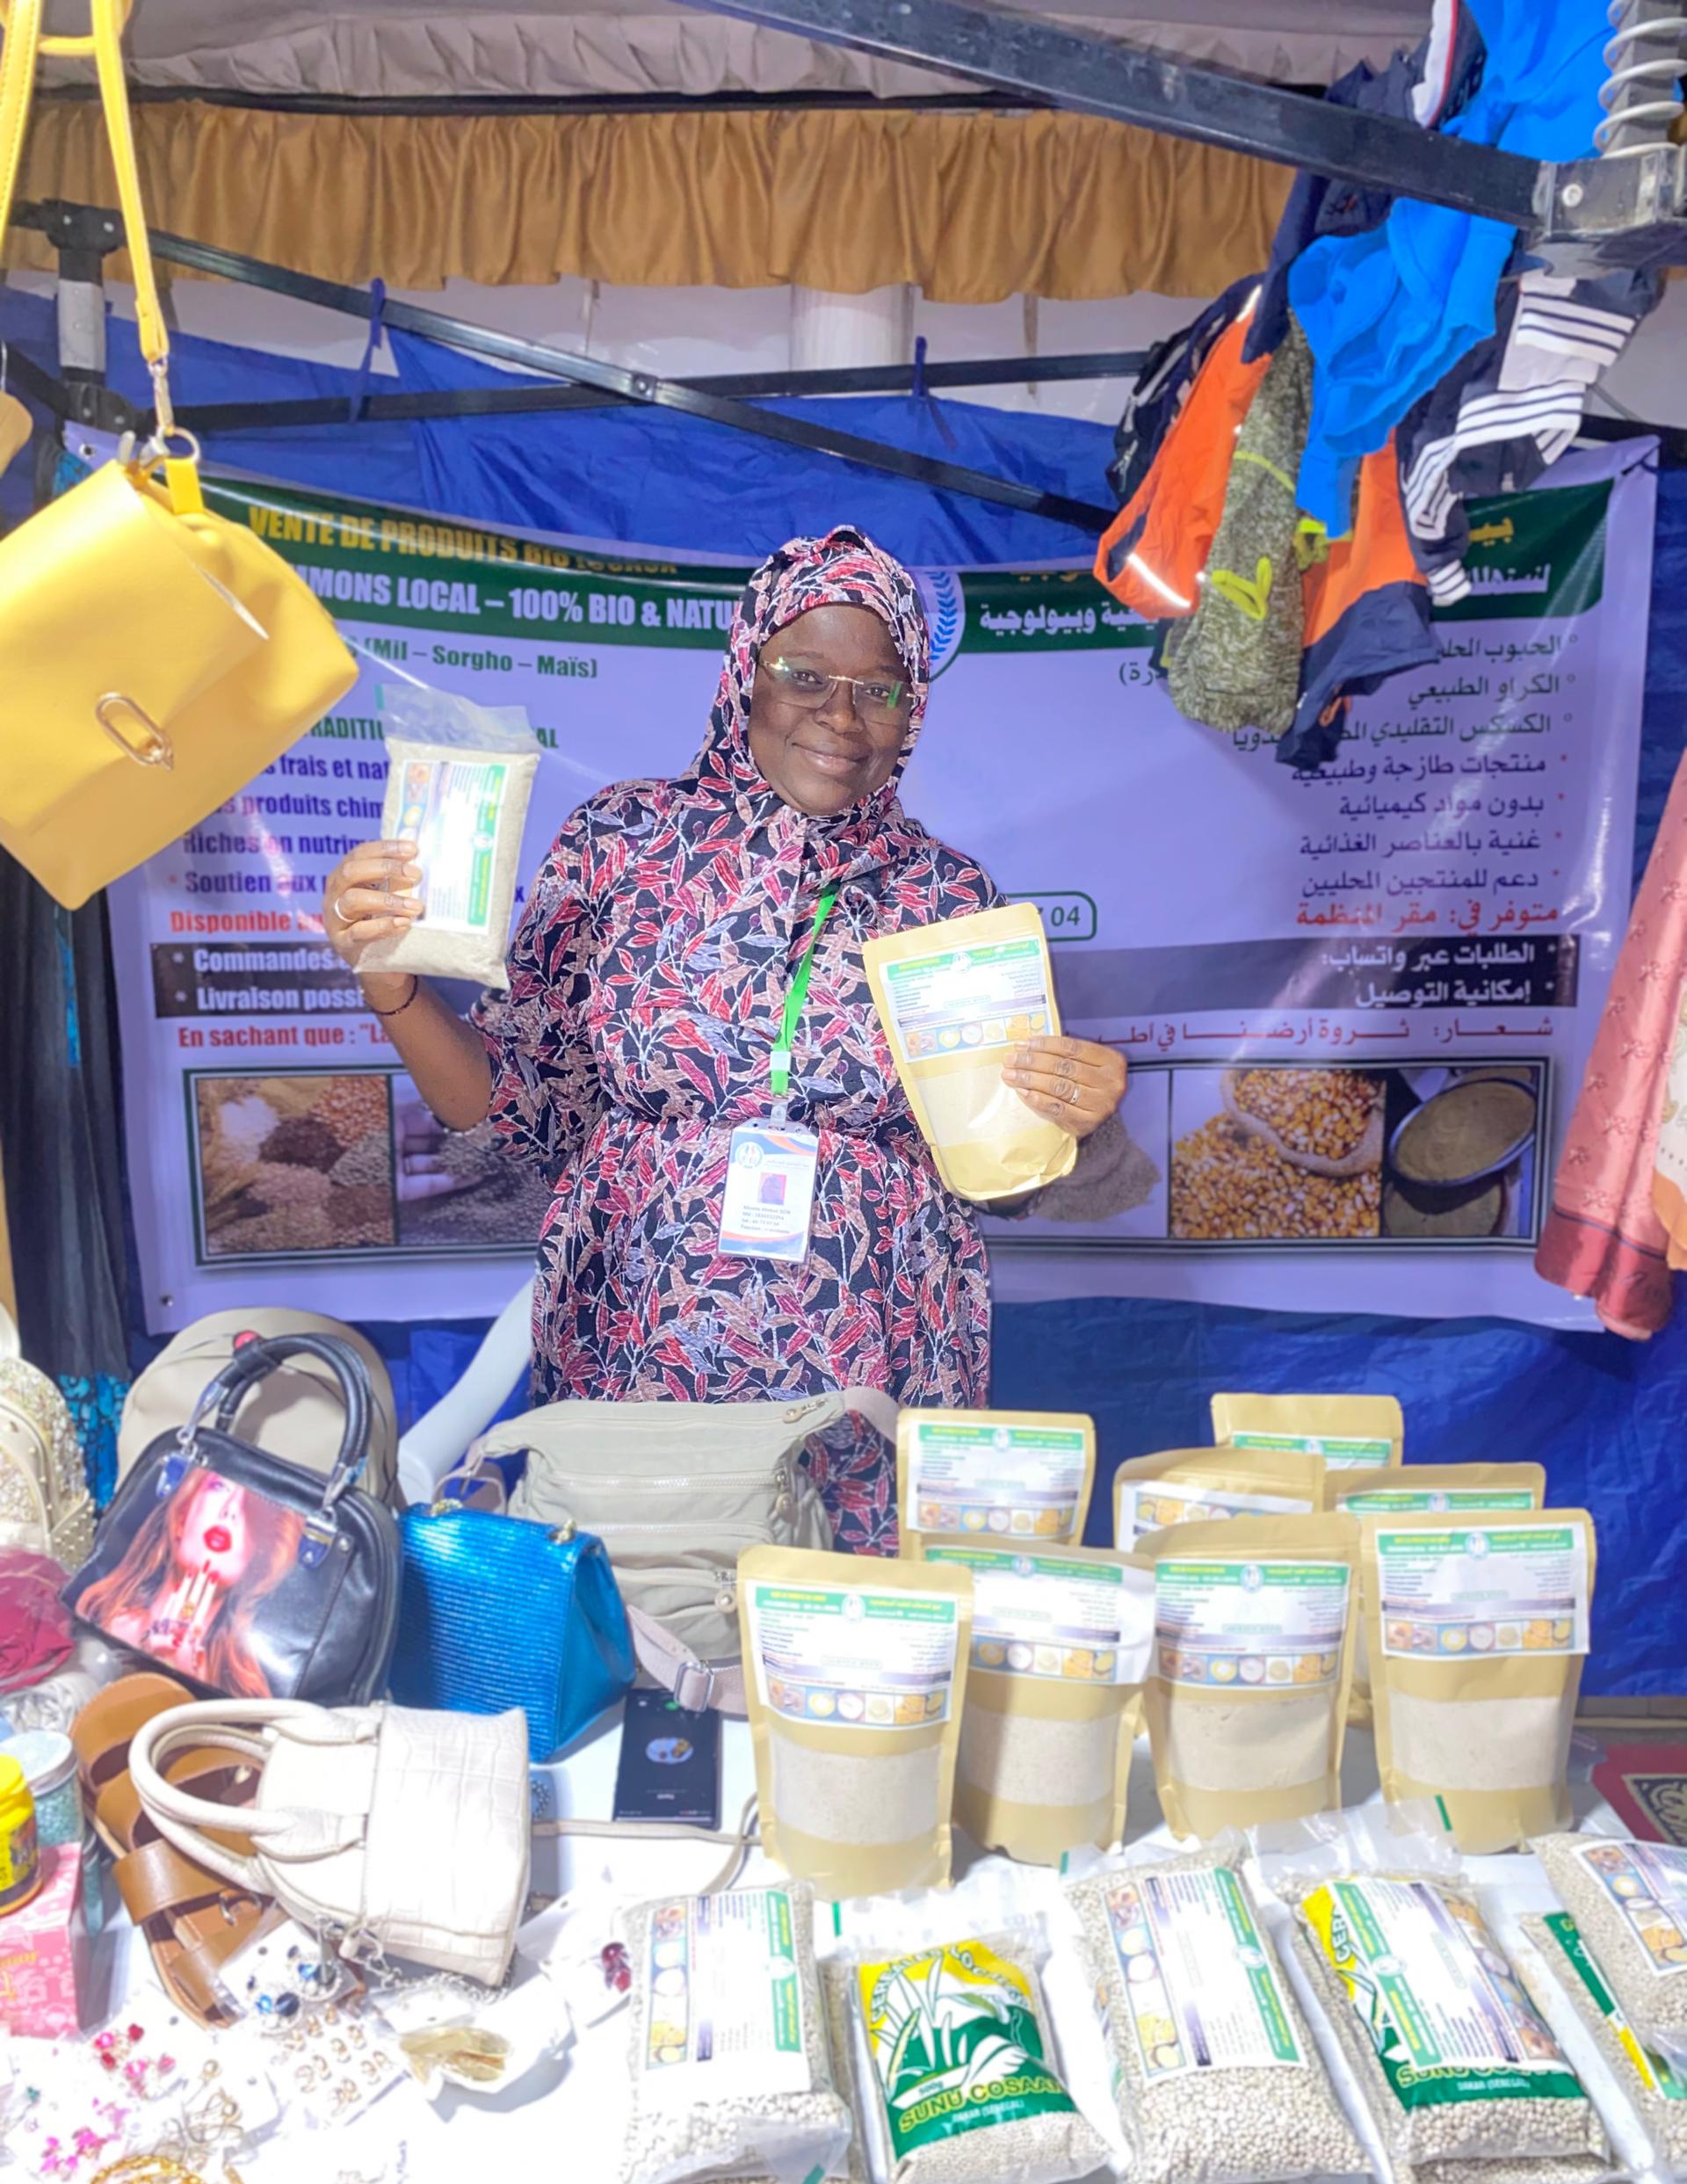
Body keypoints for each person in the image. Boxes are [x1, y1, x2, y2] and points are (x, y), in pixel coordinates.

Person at [325, 527, 1126, 1550]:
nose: (843, 718)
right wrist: (392, 986)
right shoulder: (620, 846)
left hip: (877, 1359)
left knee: (843, 1621)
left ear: (915, 707)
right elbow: (508, 1106)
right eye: (806, 677)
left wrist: (1077, 1119)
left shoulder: (948, 896)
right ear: (747, 671)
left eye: (879, 690)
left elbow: (999, 1176)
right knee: (651, 1603)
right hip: (641, 1344)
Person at [76, 1469, 301, 1695]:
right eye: (218, 1488)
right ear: (181, 1519)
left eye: (252, 1510)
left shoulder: (246, 1695)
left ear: (256, 1560)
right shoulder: (99, 1616)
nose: (230, 1511)